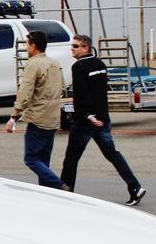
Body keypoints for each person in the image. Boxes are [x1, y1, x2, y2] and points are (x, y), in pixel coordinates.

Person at [60, 35, 146, 205]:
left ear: (86, 48)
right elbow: (99, 93)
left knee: (71, 158)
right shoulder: (100, 64)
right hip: (103, 119)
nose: (72, 49)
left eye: (76, 46)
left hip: (86, 121)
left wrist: (88, 116)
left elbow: (81, 95)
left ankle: (66, 193)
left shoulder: (78, 67)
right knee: (112, 154)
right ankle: (135, 187)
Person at [6, 31, 68, 190]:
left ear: (33, 45)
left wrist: (14, 116)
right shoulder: (54, 63)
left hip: (38, 118)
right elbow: (63, 87)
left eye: (27, 44)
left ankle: (58, 184)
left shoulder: (33, 64)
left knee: (31, 159)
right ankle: (47, 191)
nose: (27, 47)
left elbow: (25, 92)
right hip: (53, 118)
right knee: (44, 159)